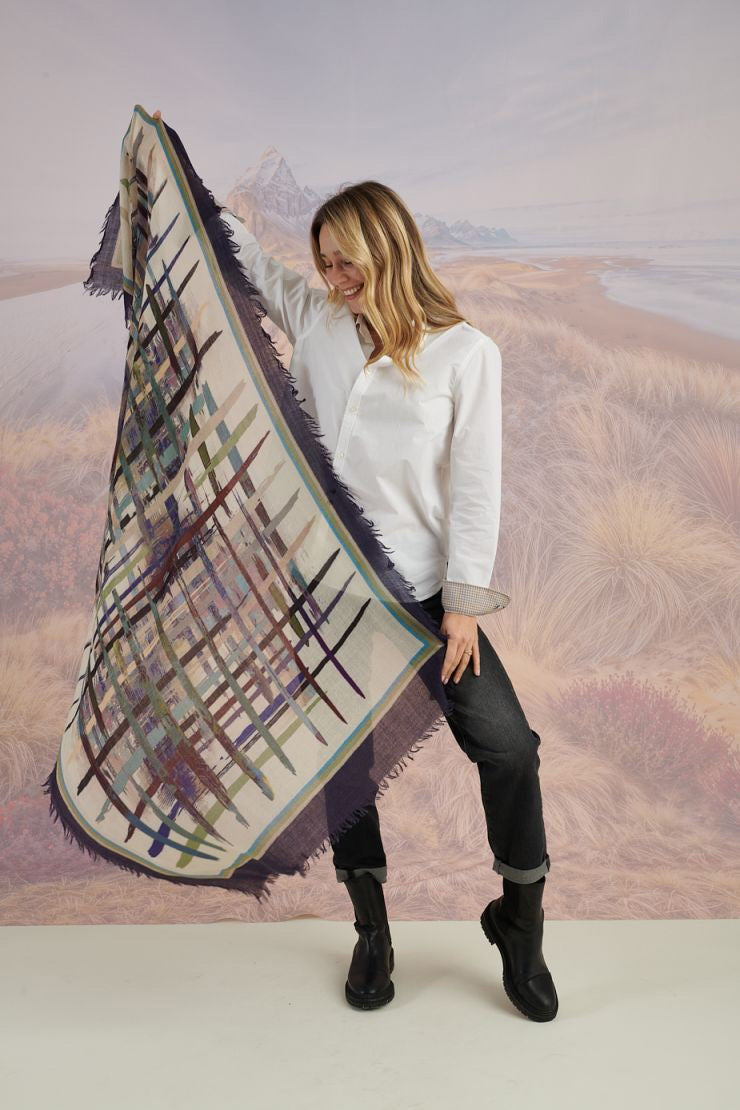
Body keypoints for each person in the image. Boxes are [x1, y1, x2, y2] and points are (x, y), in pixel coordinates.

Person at [151, 110, 558, 1021]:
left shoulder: (465, 354)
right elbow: (247, 263)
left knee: (511, 749)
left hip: (424, 599)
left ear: (392, 250)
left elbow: (477, 488)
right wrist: (177, 173)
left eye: (348, 263)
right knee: (344, 773)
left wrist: (462, 606)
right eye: (324, 262)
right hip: (331, 596)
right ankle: (373, 932)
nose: (333, 281)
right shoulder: (321, 319)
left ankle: (520, 927)